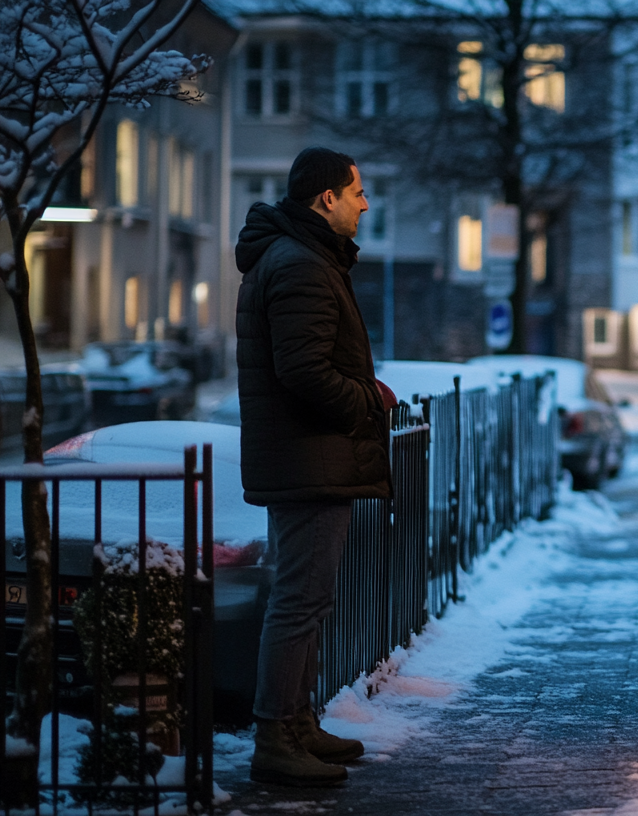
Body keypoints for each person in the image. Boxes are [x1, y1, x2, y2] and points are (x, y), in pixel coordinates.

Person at [234, 146, 391, 786]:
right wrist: (366, 403)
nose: (364, 203)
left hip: (308, 454)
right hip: (309, 455)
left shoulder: (303, 257)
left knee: (309, 599)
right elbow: (303, 371)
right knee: (299, 601)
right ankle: (276, 733)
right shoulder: (300, 263)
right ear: (326, 198)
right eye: (357, 192)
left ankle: (296, 722)